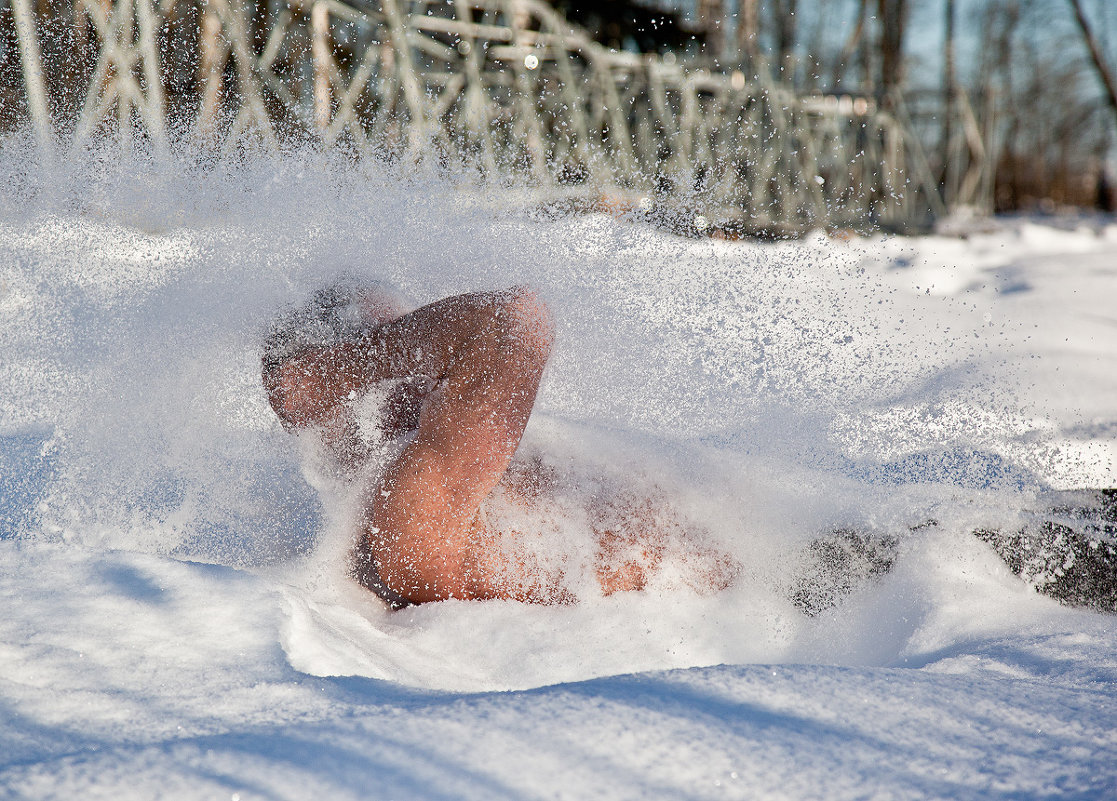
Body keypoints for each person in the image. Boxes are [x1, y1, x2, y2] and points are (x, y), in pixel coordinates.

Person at [262, 279, 736, 608]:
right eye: (400, 349)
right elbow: (513, 321)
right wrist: (327, 375)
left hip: (760, 589)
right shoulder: (407, 518)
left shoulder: (448, 468)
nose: (432, 368)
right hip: (748, 607)